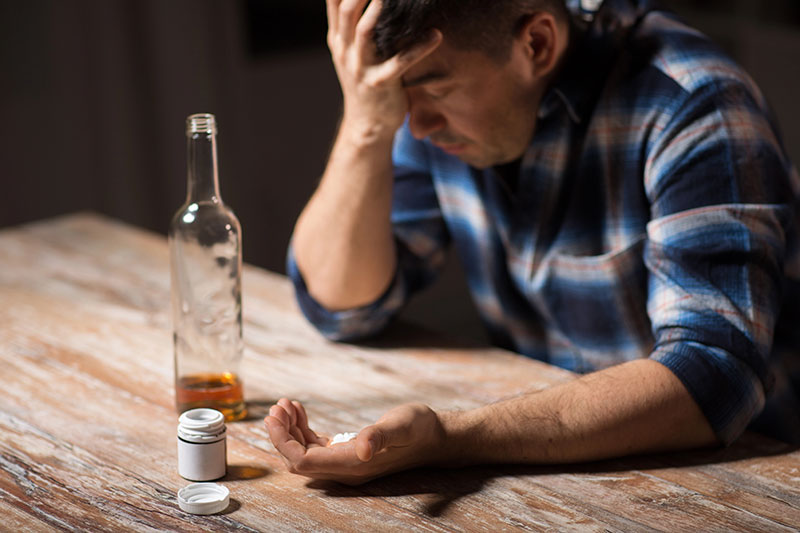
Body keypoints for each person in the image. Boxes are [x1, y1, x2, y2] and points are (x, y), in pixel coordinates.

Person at [265, 0, 800, 484]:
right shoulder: (431, 115)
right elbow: (341, 306)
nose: (416, 125)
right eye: (394, 97)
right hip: (552, 470)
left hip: (747, 476)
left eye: (434, 90)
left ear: (537, 44)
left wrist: (451, 439)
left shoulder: (694, 105)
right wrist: (365, 125)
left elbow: (712, 374)